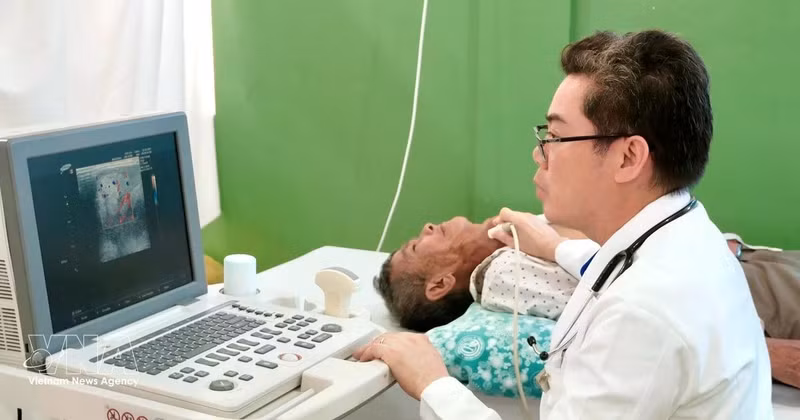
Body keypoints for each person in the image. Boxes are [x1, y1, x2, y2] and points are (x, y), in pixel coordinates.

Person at [354, 29, 774, 419]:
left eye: (555, 137)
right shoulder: (683, 233)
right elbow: (609, 269)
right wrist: (556, 248)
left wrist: (433, 383)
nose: (540, 154)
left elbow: (634, 302)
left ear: (628, 157)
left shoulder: (641, 314)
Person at [374, 217, 800, 389]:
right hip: (751, 294)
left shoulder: (512, 242)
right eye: (417, 245)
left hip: (742, 268)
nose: (426, 226)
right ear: (440, 284)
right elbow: (623, 289)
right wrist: (760, 350)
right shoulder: (501, 274)